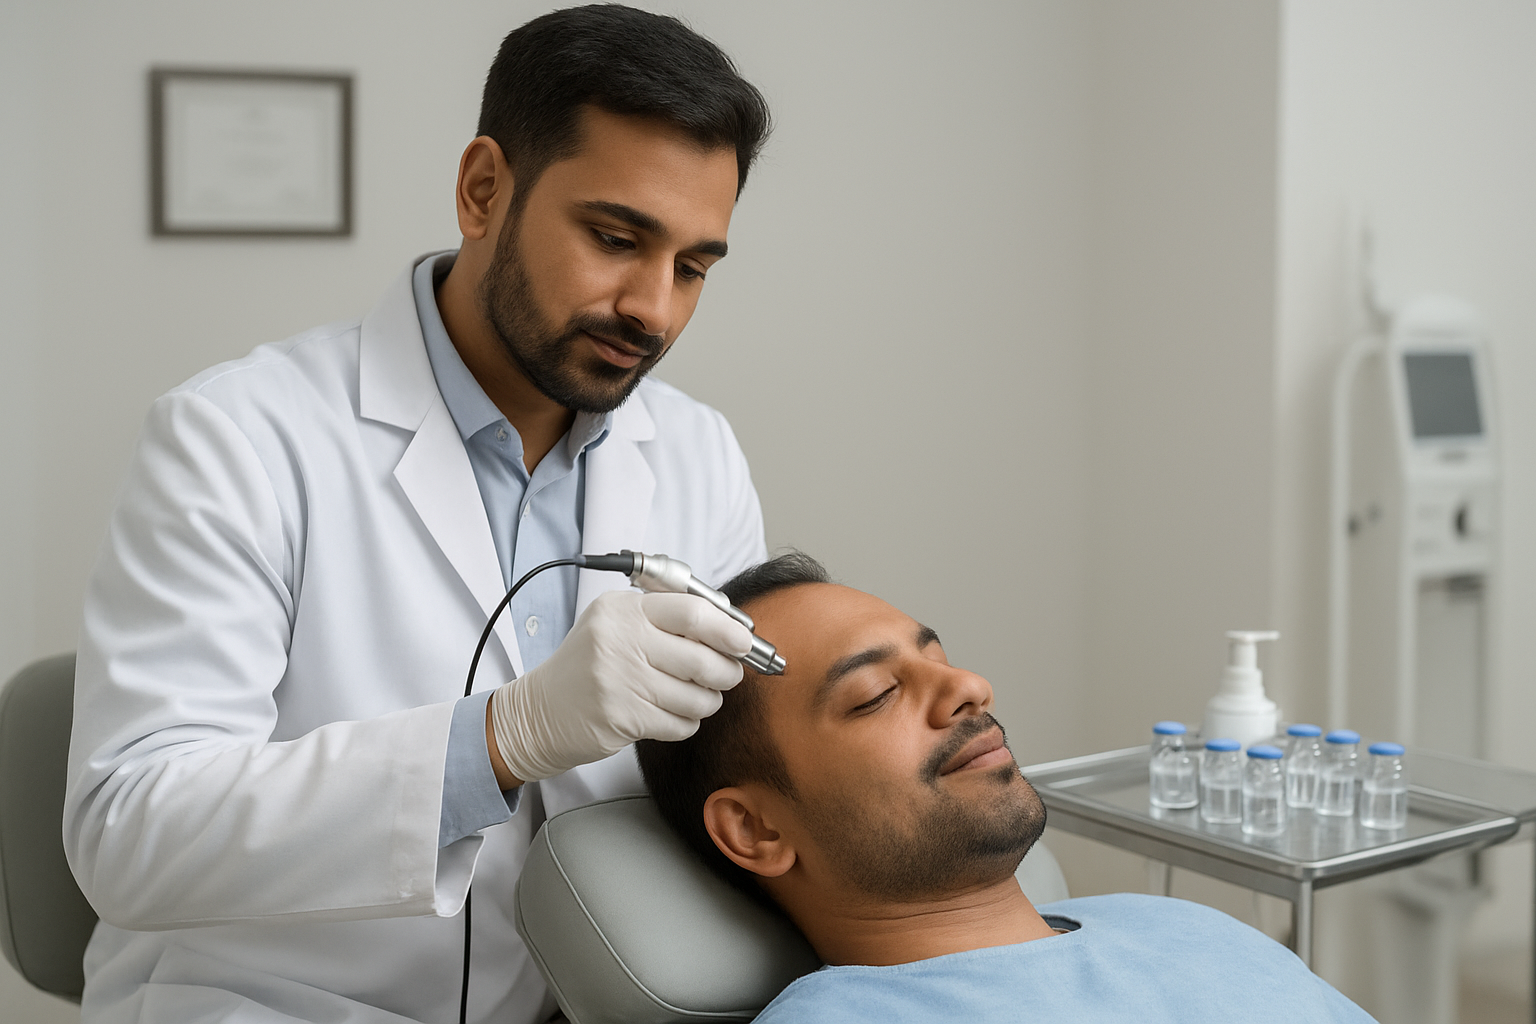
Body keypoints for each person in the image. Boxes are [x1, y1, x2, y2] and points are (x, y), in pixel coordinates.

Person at [63, 7, 772, 1023]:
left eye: (694, 267)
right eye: (616, 238)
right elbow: (128, 835)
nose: (654, 310)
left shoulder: (697, 452)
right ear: (484, 189)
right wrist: (499, 739)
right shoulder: (235, 437)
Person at [637, 553, 1377, 1023]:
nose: (969, 687)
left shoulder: (1181, 927)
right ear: (756, 830)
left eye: (941, 658)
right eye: (873, 694)